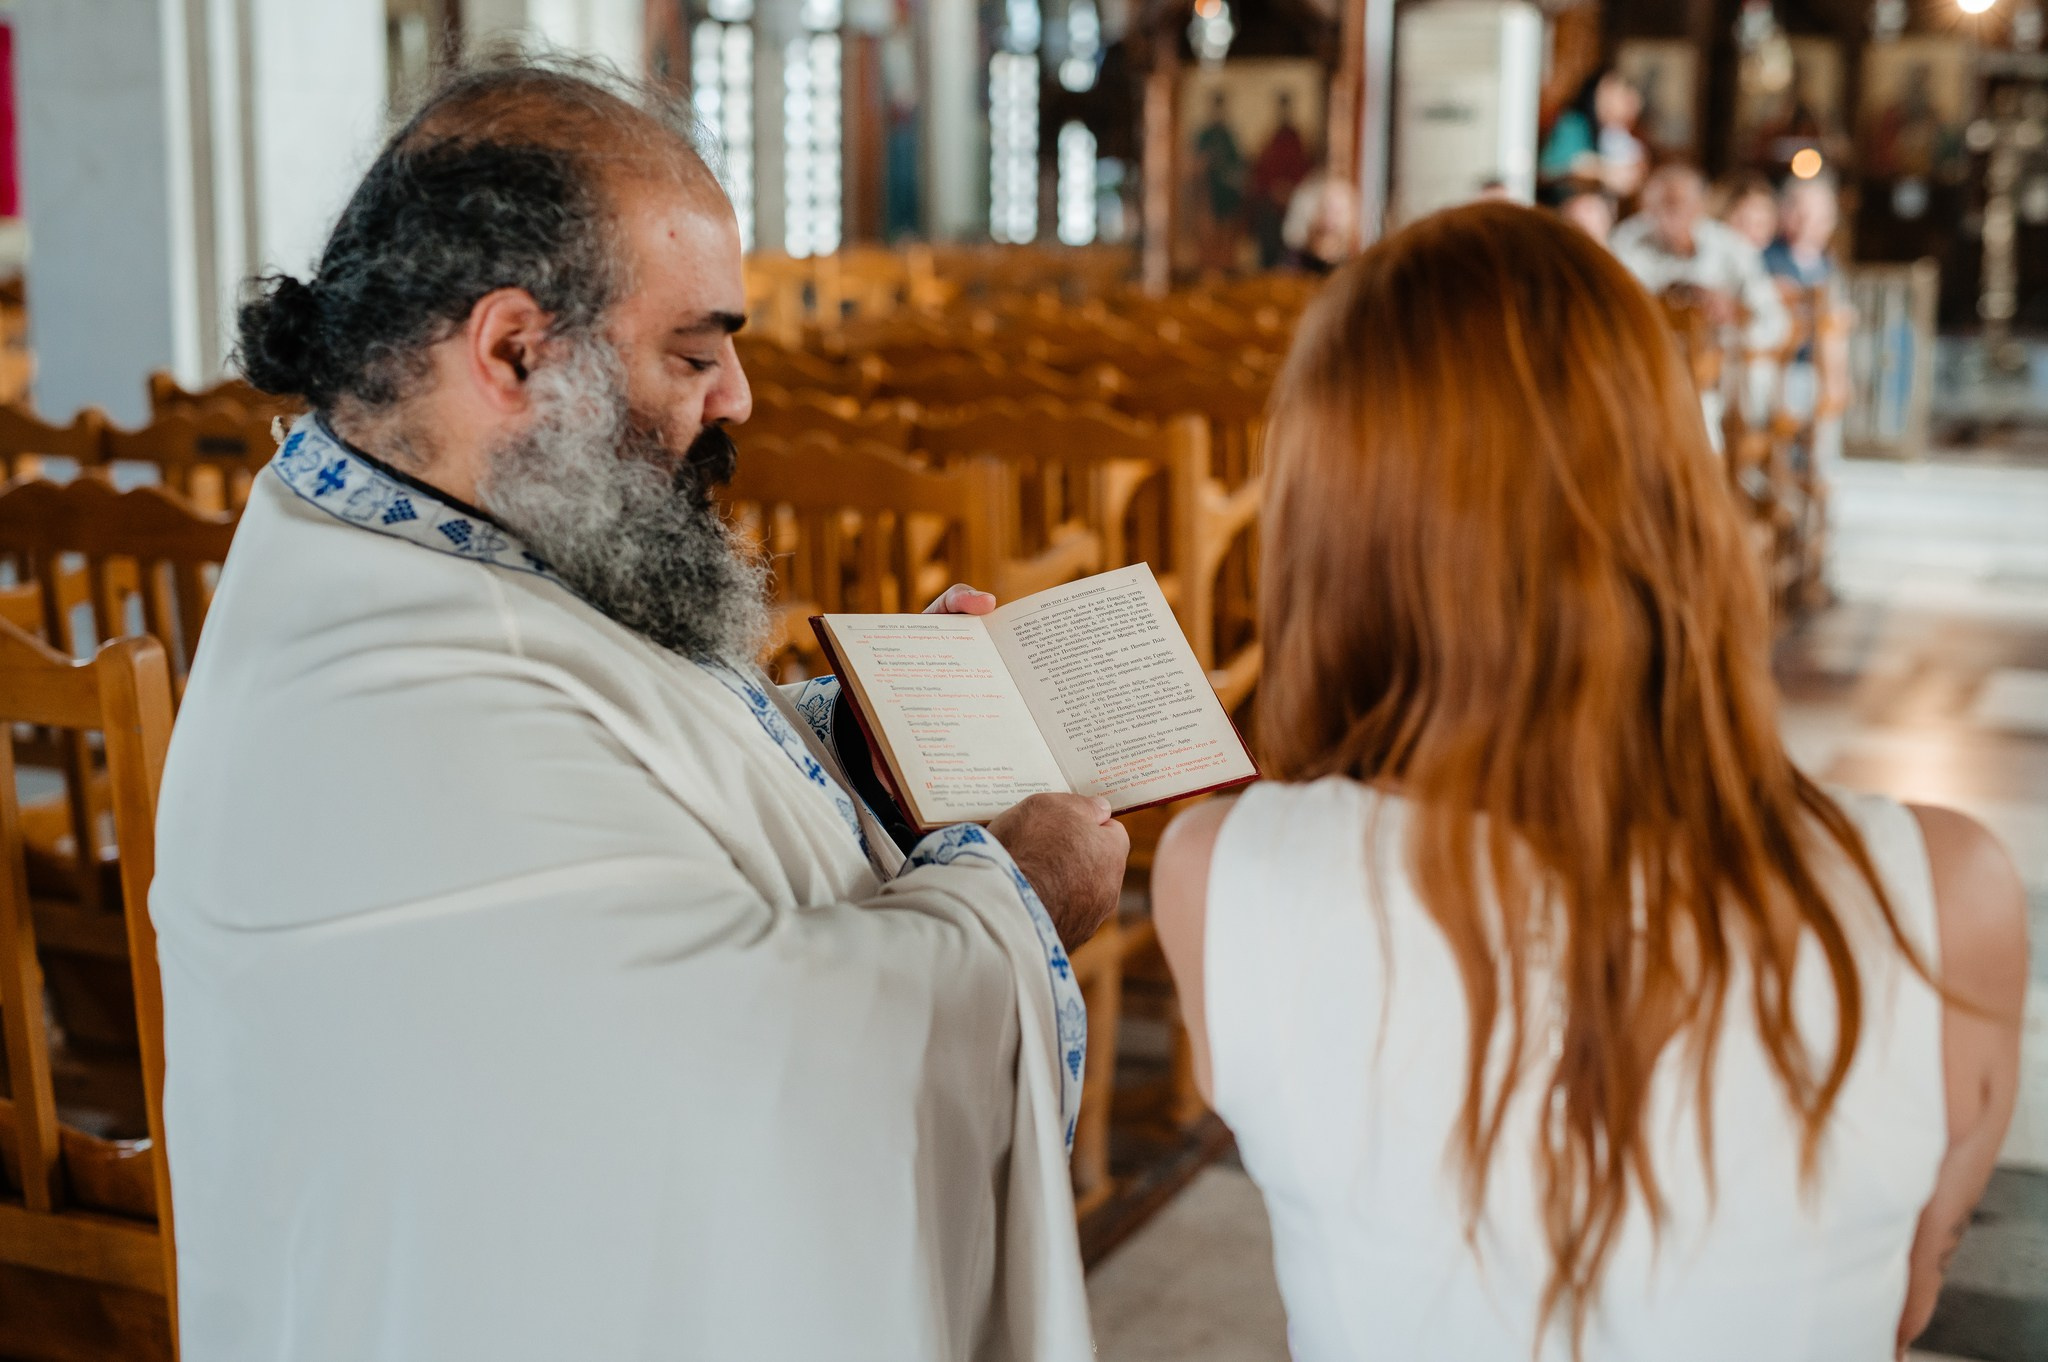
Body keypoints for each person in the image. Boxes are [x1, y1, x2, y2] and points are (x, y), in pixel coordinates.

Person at [152, 58, 1127, 1362]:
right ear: (511, 350)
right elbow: (766, 1086)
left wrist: (856, 756)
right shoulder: (389, 687)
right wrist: (1024, 893)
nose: (737, 400)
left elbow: (619, 772)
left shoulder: (431, 535)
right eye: (695, 351)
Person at [1152, 203, 2025, 1361]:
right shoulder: (1947, 892)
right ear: (1673, 492)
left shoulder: (1218, 872)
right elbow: (1899, 1305)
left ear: (1325, 532)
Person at [1612, 162, 1789, 351]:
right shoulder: (1627, 242)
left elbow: (1775, 325)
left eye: (1676, 204)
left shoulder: (1731, 248)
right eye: (1656, 205)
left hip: (1719, 372)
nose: (1666, 216)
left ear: (1699, 205)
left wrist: (1733, 314)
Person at [1538, 68, 1646, 199]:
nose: (1626, 105)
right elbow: (1549, 170)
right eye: (1618, 94)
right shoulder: (1574, 124)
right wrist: (1602, 171)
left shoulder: (1616, 136)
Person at [1712, 169, 1778, 251]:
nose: (1753, 233)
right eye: (1742, 222)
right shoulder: (1712, 251)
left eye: (1760, 225)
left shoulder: (1773, 258)